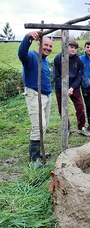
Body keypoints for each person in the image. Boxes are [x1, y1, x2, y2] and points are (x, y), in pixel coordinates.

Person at [18, 31, 53, 164]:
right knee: (38, 126)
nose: (48, 48)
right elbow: (21, 54)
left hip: (46, 96)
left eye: (50, 46)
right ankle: (34, 159)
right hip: (34, 94)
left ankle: (40, 152)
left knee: (44, 125)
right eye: (46, 45)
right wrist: (27, 38)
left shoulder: (45, 60)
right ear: (39, 43)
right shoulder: (31, 56)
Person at [53, 39, 90, 137]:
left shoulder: (78, 60)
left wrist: (72, 88)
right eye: (71, 47)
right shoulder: (58, 58)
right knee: (62, 108)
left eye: (75, 48)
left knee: (80, 106)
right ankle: (66, 128)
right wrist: (64, 88)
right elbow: (56, 76)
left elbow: (79, 76)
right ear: (66, 47)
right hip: (60, 87)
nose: (73, 50)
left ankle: (81, 127)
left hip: (73, 87)